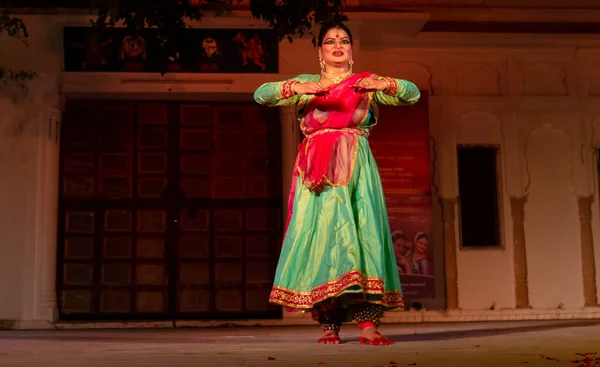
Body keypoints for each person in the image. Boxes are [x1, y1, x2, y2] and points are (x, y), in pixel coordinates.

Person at [253, 20, 421, 346]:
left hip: (357, 168)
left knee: (363, 235)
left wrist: (384, 84)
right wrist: (295, 89)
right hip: (316, 170)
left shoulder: (365, 84)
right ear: (320, 51)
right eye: (330, 41)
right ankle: (328, 323)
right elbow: (261, 95)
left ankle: (368, 324)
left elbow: (411, 95)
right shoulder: (307, 83)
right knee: (321, 239)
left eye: (344, 40)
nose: (338, 45)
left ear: (351, 49)